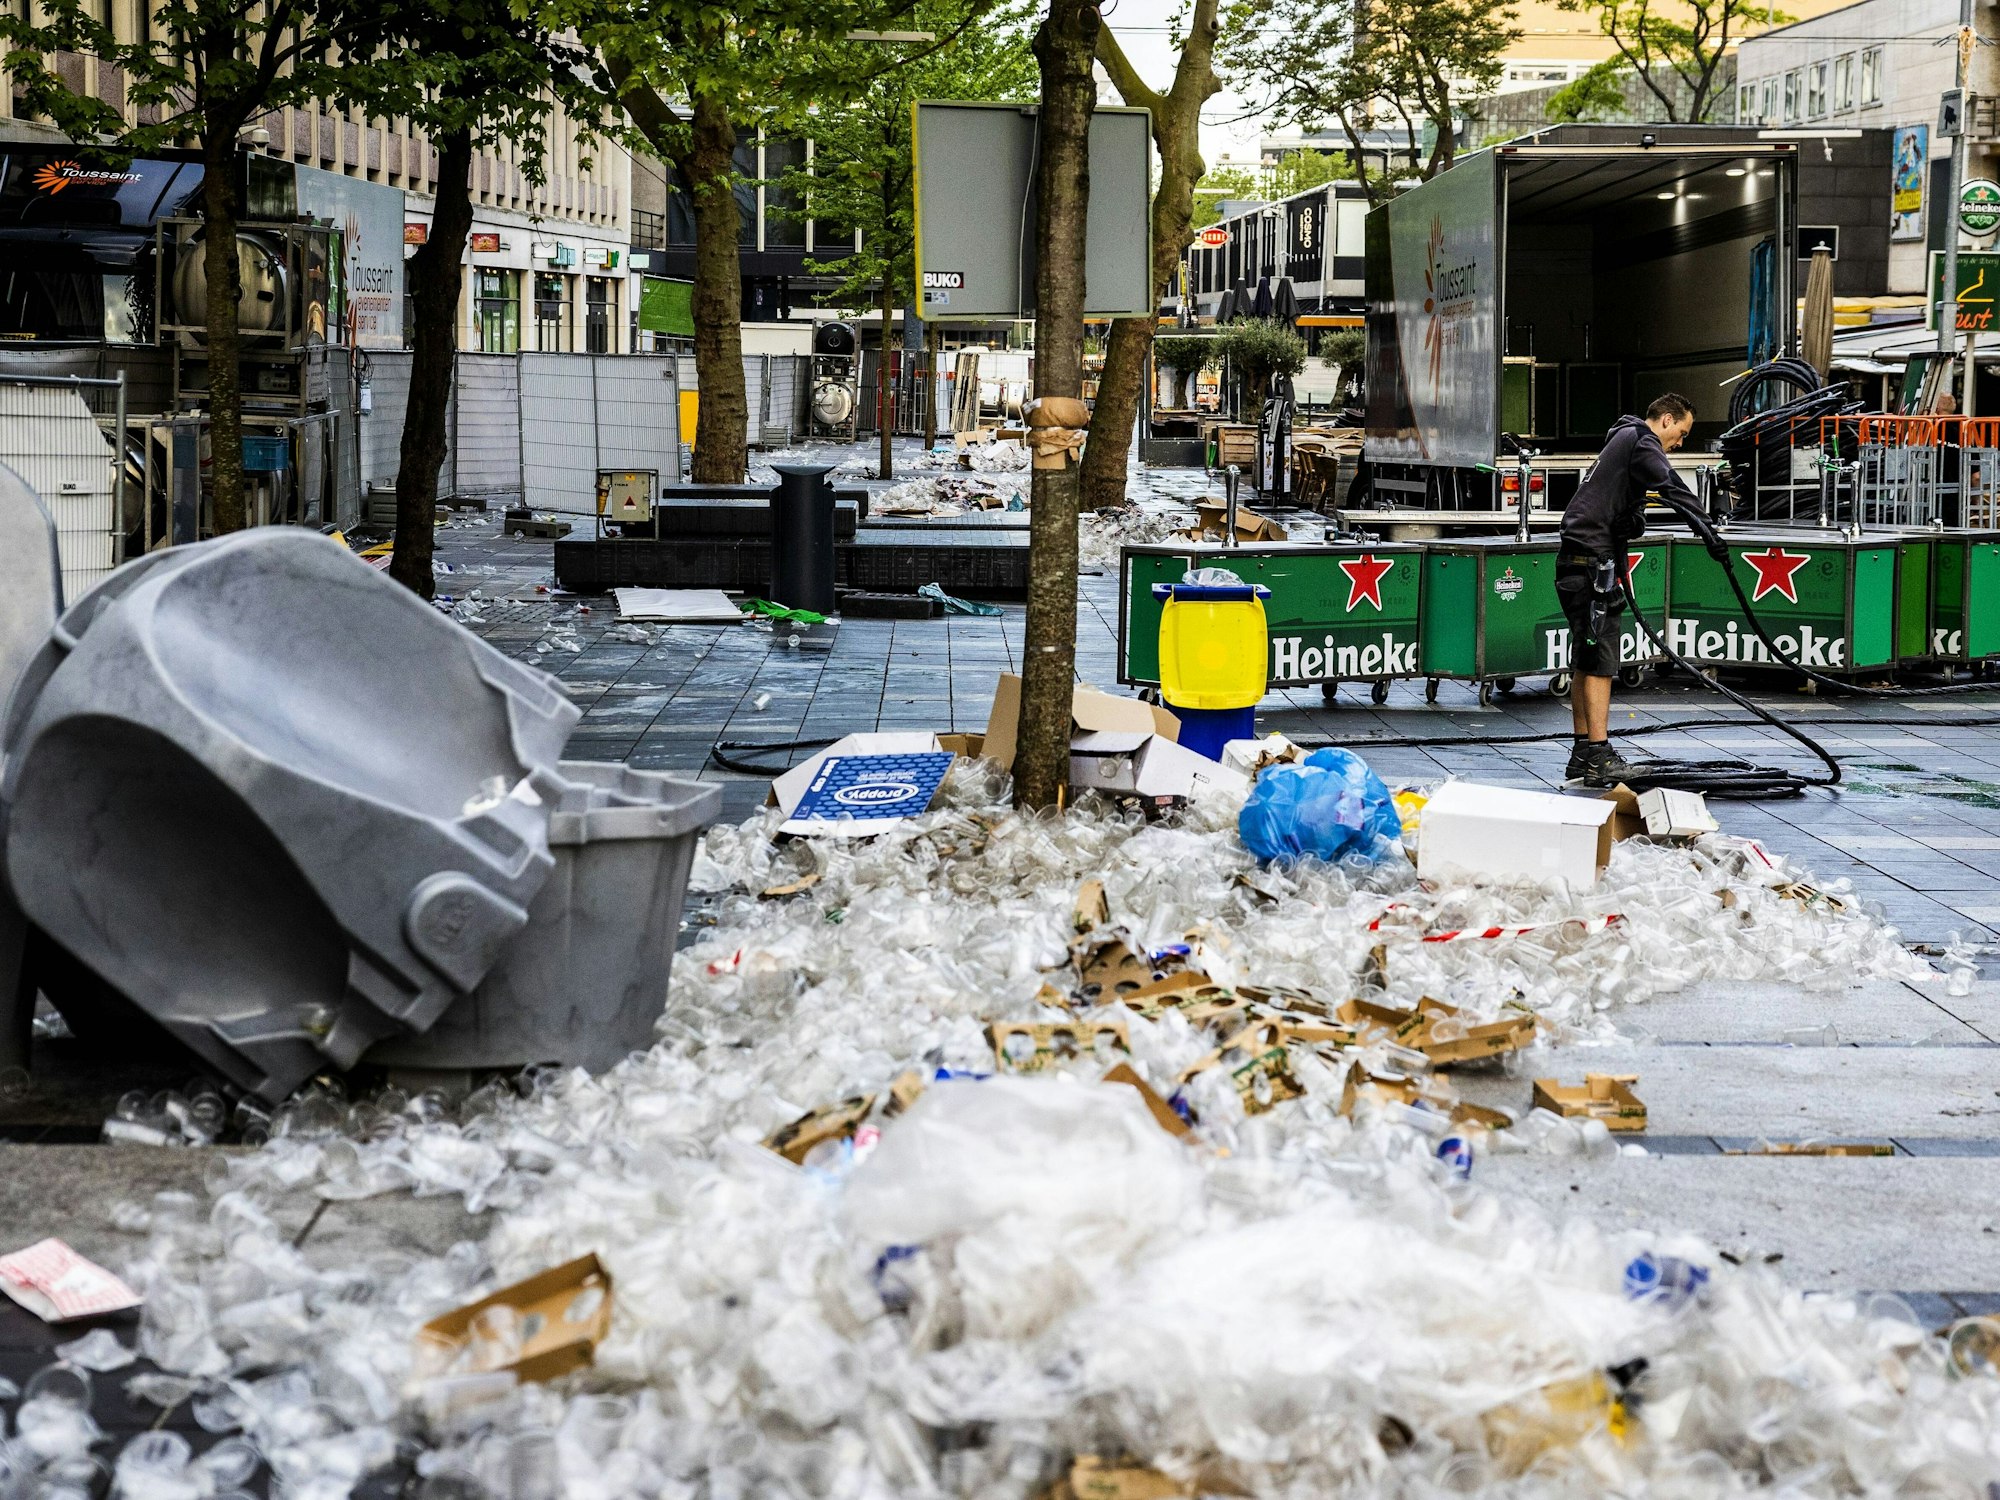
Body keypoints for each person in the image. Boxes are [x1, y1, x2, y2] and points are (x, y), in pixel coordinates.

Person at [1556, 393, 1703, 786]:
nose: (1680, 443)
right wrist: (1702, 520)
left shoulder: (1620, 442)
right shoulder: (1642, 440)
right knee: (1602, 660)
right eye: (1682, 433)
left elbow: (1623, 506)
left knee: (1586, 658)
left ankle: (1583, 751)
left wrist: (1632, 521)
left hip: (1578, 561)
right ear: (1667, 419)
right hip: (1591, 565)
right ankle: (1600, 755)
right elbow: (1667, 480)